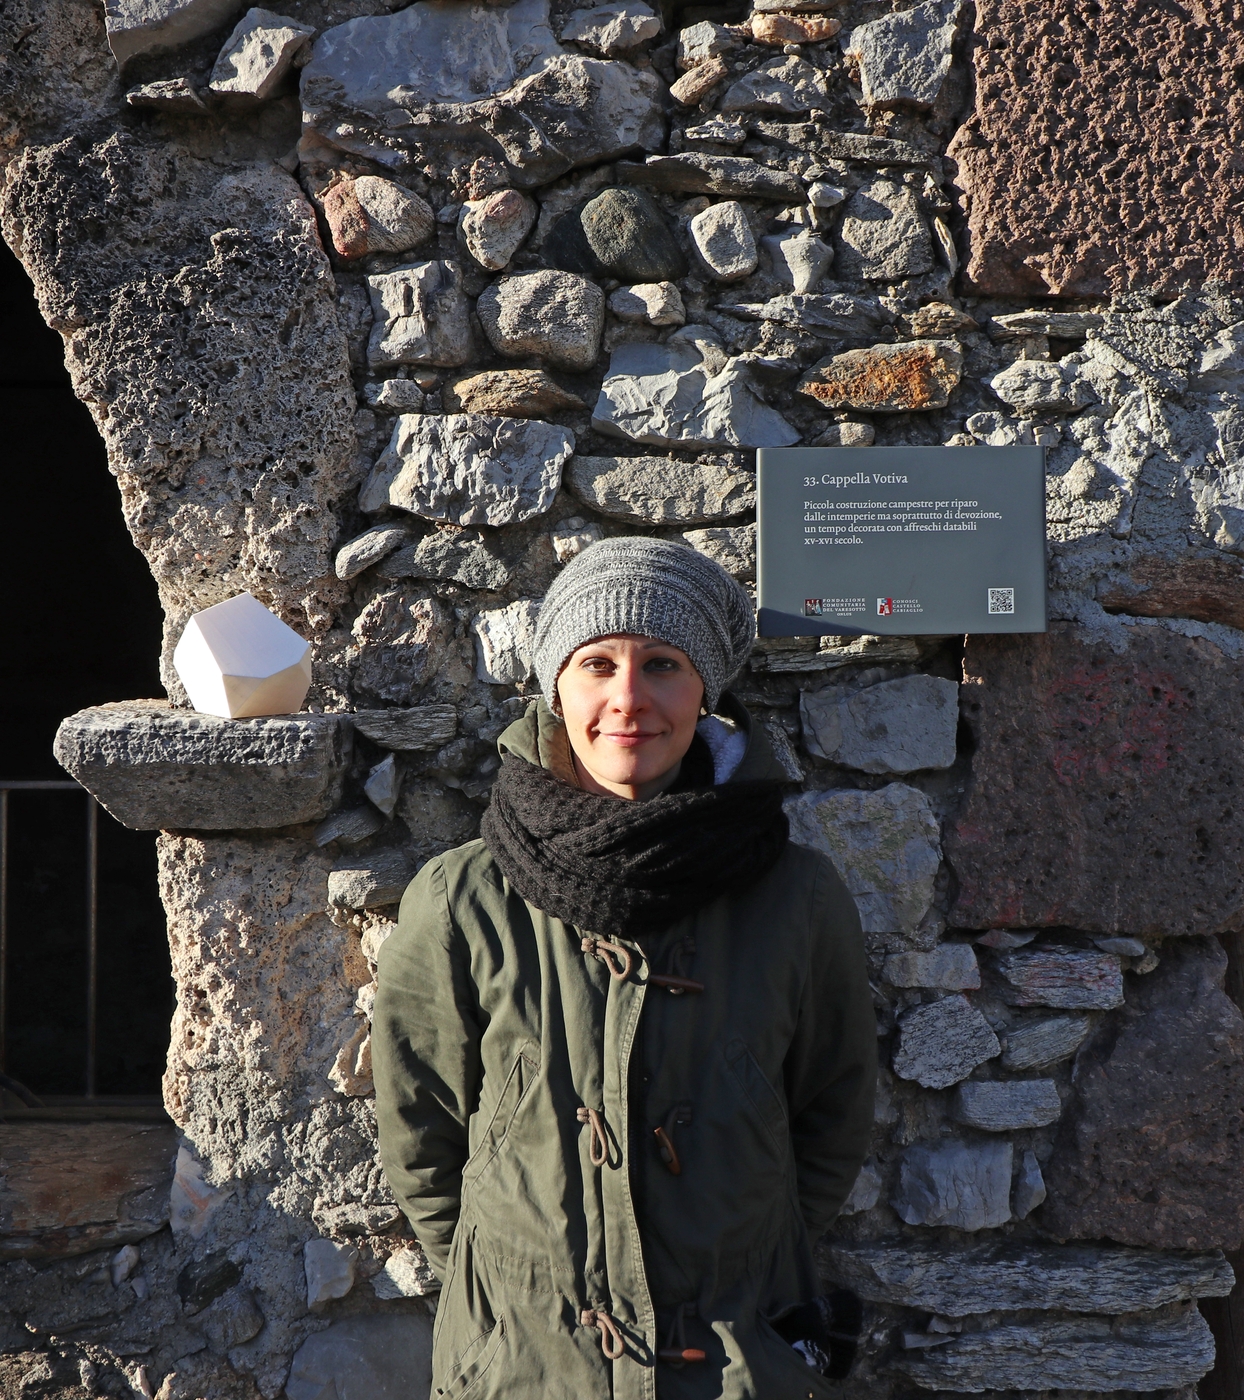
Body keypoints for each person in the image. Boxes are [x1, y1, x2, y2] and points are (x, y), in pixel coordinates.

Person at [373, 537, 877, 1400]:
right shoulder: (463, 898)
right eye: (597, 663)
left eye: (664, 665)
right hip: (524, 1363)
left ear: (705, 689)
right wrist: (506, 1293)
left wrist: (748, 1253)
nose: (628, 698)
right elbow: (422, 1127)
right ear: (556, 686)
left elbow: (831, 1108)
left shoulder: (795, 895)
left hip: (737, 1355)